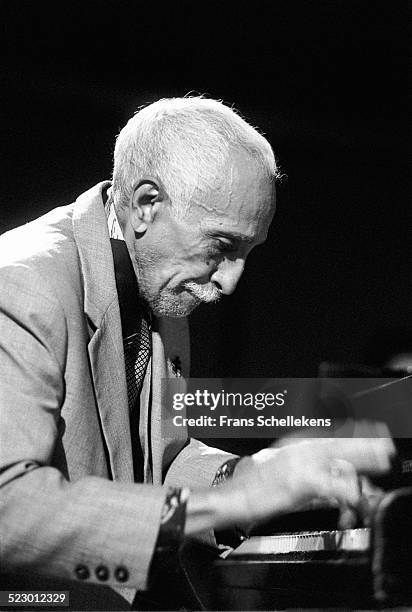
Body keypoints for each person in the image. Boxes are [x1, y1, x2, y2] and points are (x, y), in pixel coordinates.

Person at [0, 97, 394, 610]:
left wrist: (249, 476)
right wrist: (232, 501)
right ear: (145, 204)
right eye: (221, 248)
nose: (231, 280)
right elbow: (8, 508)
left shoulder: (156, 275)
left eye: (247, 254)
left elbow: (149, 459)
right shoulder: (20, 288)